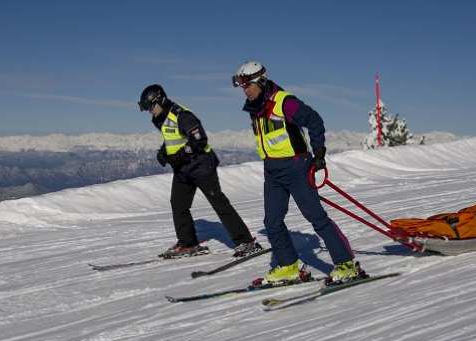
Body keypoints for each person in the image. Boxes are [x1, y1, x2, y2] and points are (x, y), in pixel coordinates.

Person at [232, 61, 362, 285]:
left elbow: (314, 120)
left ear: (261, 82)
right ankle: (288, 265)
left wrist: (319, 153)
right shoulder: (255, 107)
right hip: (272, 170)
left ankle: (346, 263)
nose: (245, 91)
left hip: (296, 167)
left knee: (316, 217)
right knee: (272, 221)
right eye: (242, 87)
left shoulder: (284, 102)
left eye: (248, 85)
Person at [138, 84, 262, 259]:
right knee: (178, 204)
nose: (150, 111)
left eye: (151, 107)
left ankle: (246, 242)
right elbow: (175, 138)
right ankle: (188, 244)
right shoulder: (162, 117)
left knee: (218, 202)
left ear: (161, 100)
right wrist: (164, 152)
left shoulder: (181, 115)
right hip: (183, 169)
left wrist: (180, 155)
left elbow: (199, 140)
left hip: (201, 165)